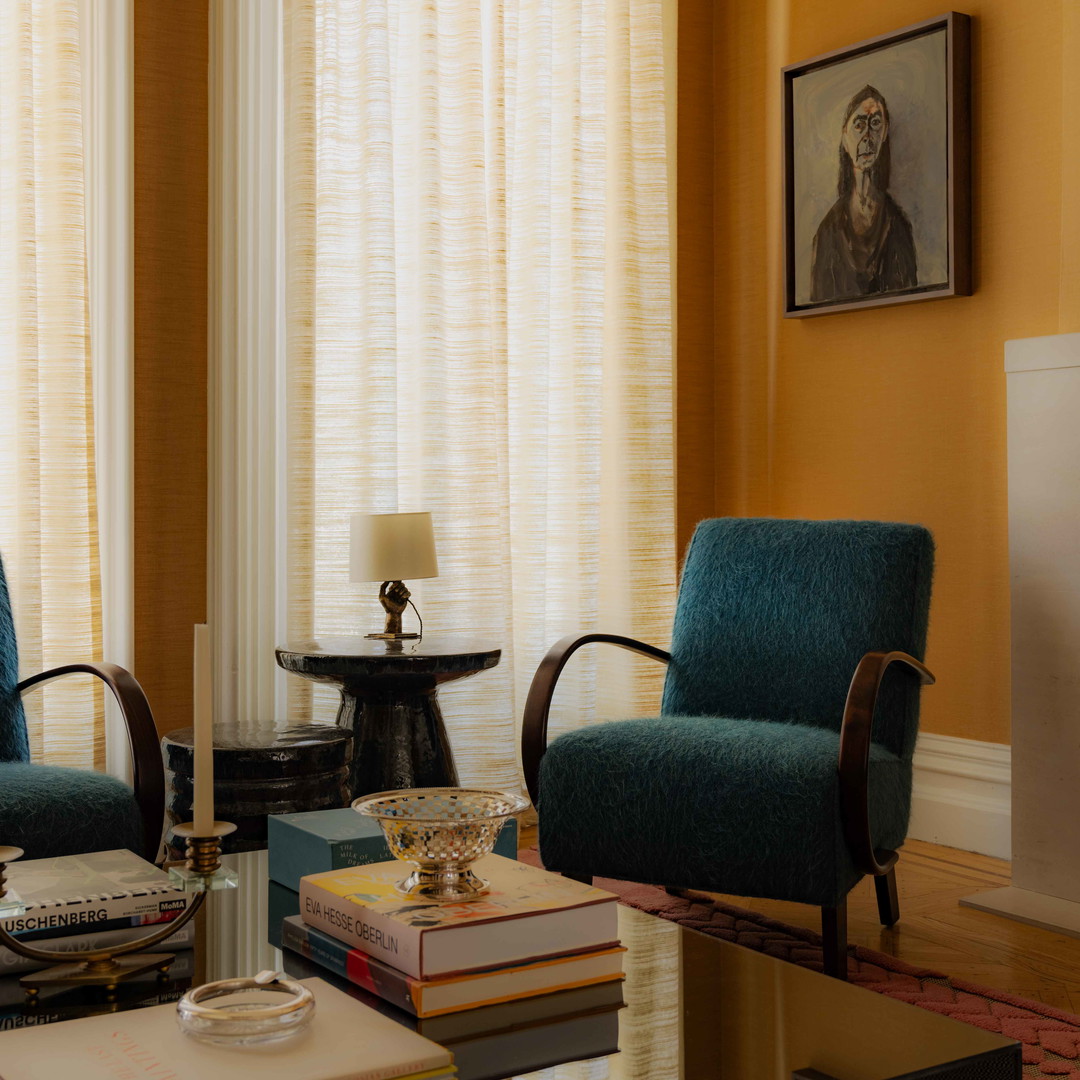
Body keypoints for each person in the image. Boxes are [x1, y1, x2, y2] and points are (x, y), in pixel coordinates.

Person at [810, 84, 917, 303]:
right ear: (845, 137)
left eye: (875, 123)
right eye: (859, 125)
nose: (868, 136)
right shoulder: (828, 231)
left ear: (885, 132)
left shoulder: (897, 225)